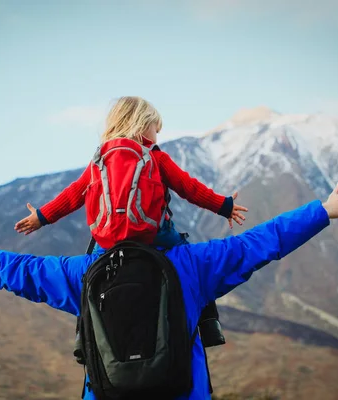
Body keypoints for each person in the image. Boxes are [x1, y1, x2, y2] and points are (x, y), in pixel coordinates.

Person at [0, 182, 338, 400]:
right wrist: (323, 209)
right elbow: (262, 242)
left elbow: (14, 269)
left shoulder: (84, 273)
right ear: (163, 217)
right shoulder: (194, 265)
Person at [14, 96, 248, 347]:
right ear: (142, 125)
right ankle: (209, 324)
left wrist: (41, 217)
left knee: (90, 276)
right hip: (154, 234)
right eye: (156, 129)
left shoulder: (99, 161)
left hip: (108, 240)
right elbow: (189, 188)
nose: (157, 136)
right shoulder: (155, 157)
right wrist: (223, 206)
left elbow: (73, 195)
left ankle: (83, 334)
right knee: (192, 263)